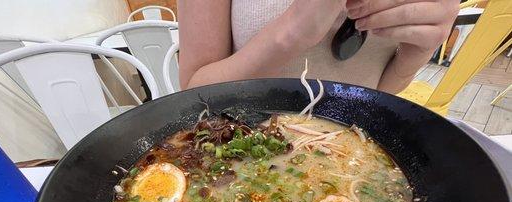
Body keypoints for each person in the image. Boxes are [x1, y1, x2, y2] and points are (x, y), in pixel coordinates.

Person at [177, 0, 459, 94]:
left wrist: (416, 53)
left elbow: (377, 92)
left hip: (357, 160)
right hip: (243, 162)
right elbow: (194, 91)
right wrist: (291, 34)